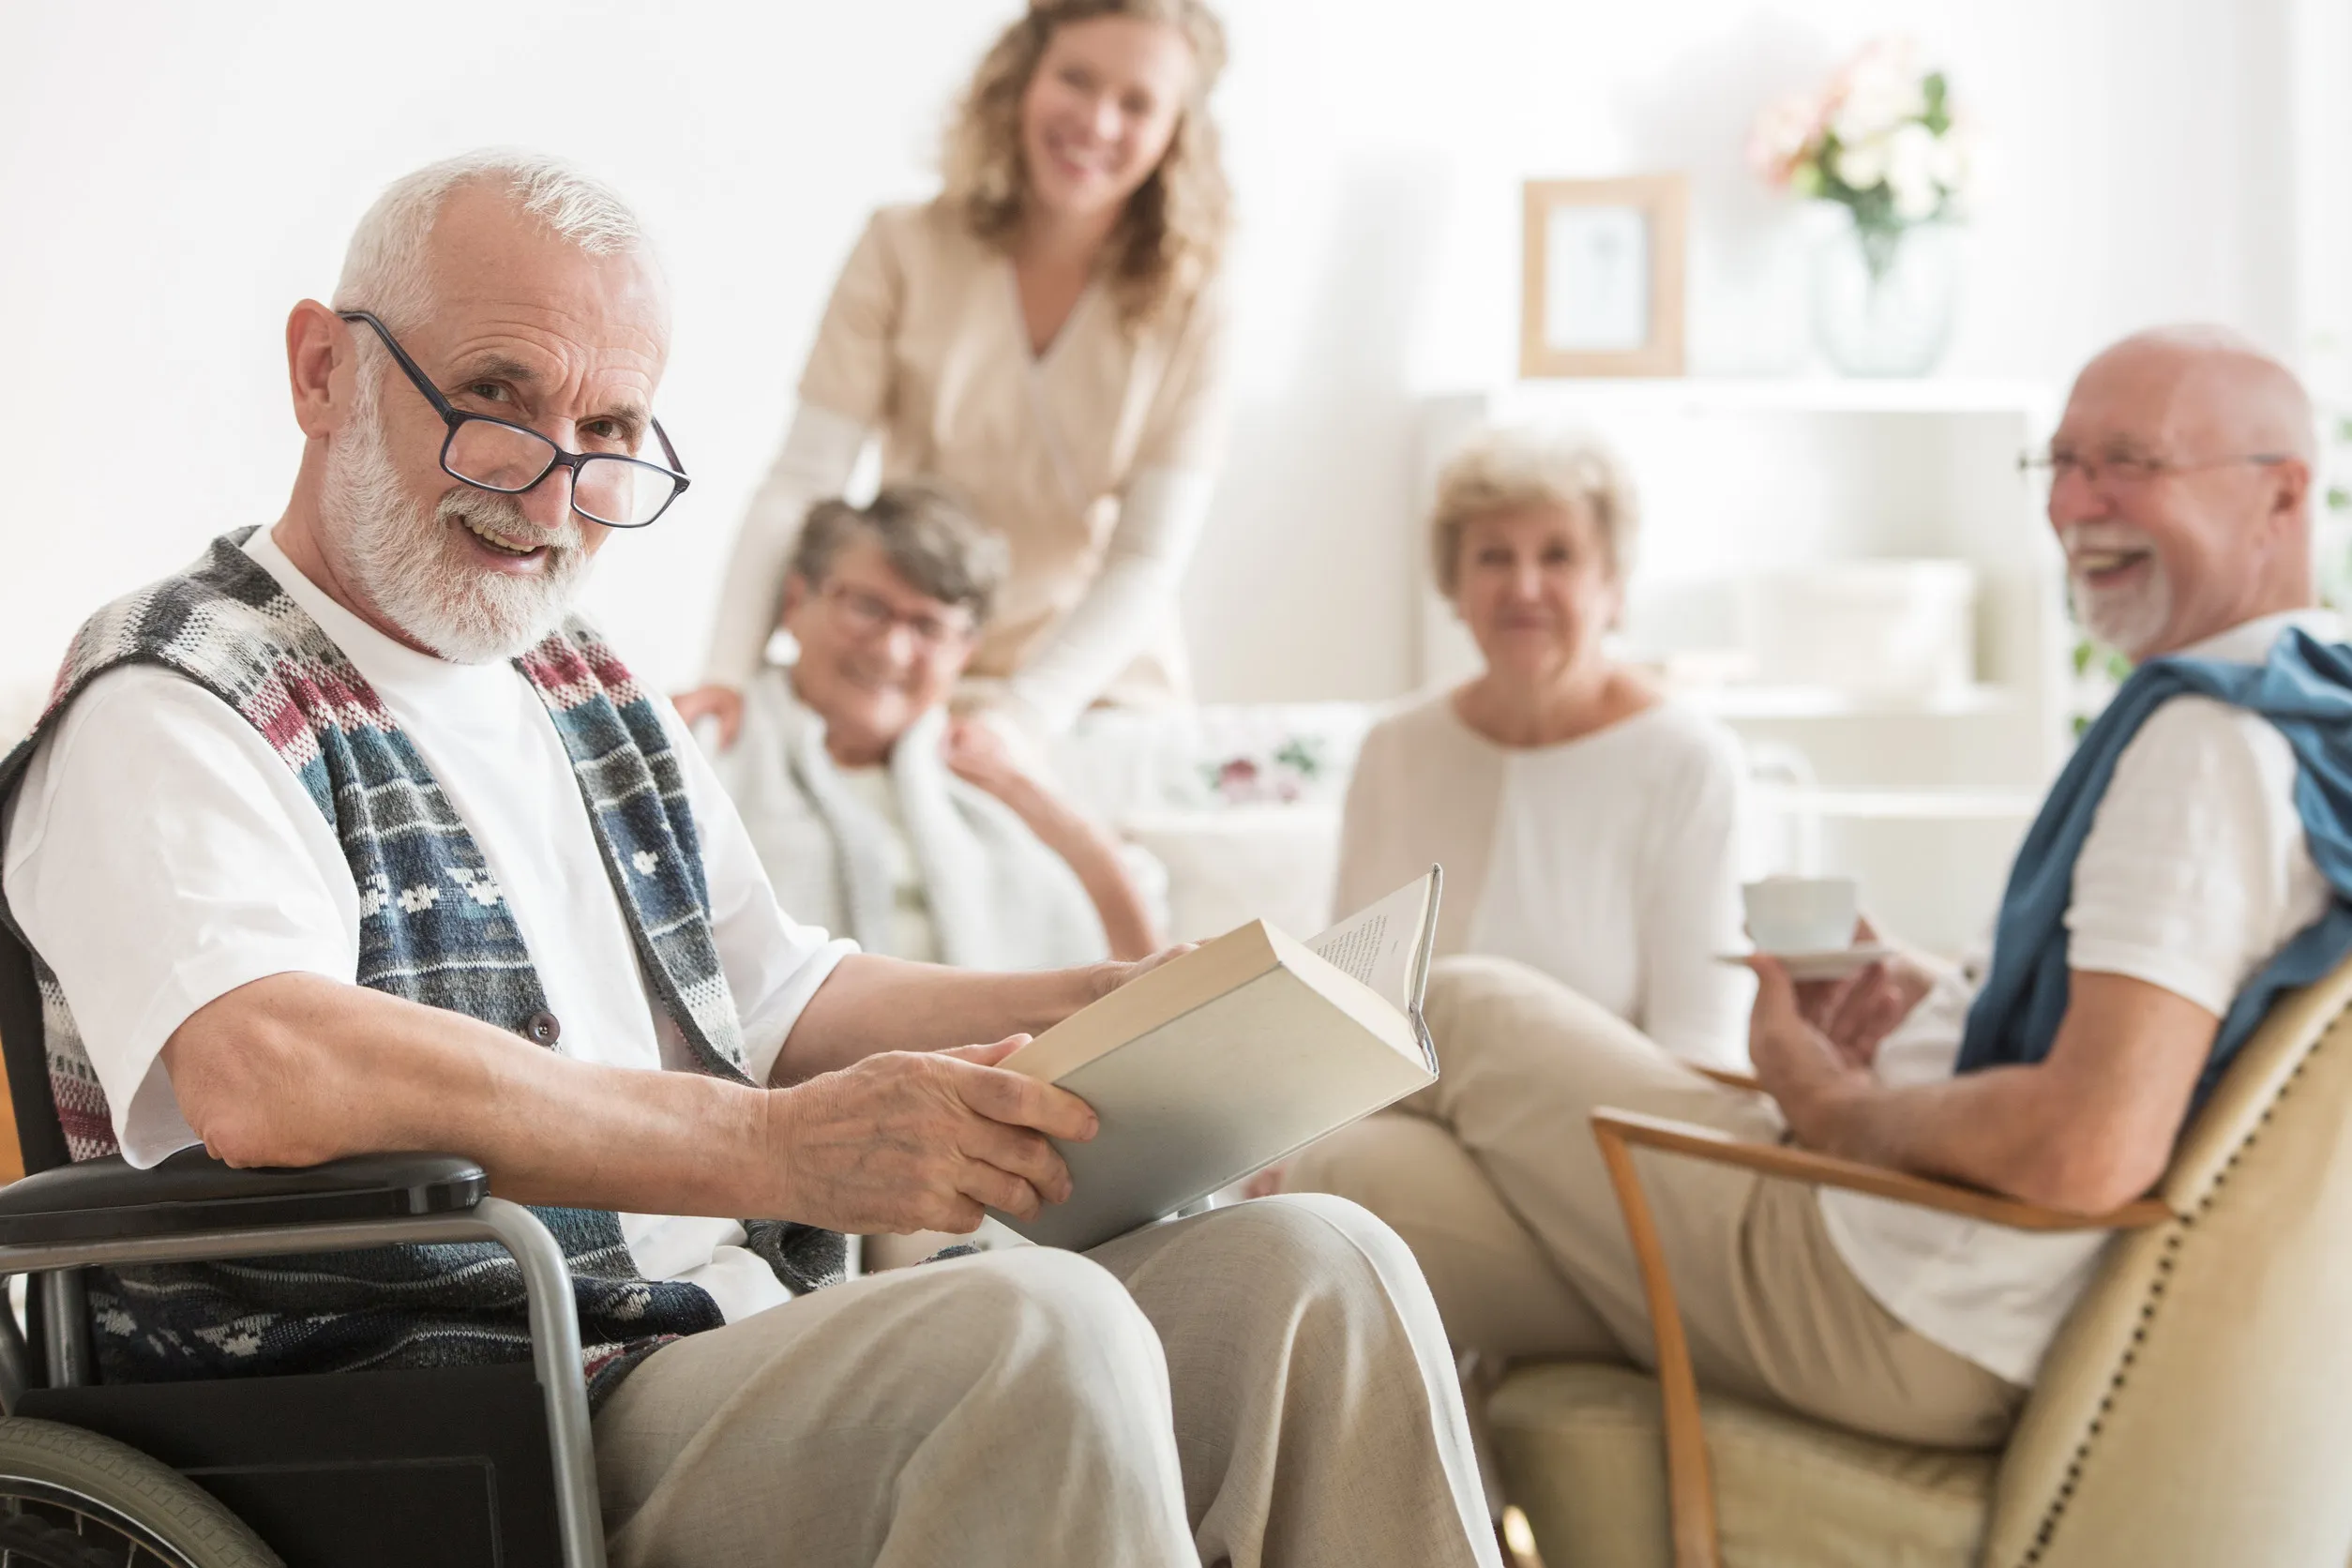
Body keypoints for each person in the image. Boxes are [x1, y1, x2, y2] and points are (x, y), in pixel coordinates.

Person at [0, 152, 1499, 1568]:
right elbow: (273, 1068)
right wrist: (777, 1150)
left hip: (730, 1328)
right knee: (1037, 1334)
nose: (549, 490)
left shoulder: (574, 676)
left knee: (1316, 1271)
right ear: (323, 369)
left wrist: (1110, 1001)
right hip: (477, 1396)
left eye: (605, 436)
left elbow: (779, 995)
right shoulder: (172, 692)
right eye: (496, 397)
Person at [1285, 326, 2352, 1466]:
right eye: (2060, 464)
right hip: (1927, 1275)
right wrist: (1932, 997)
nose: (2073, 505)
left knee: (1467, 1001)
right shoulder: (2298, 705)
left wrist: (1843, 1112)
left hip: (1902, 1294)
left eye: (2129, 461)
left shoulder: (2206, 748)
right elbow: (2119, 1038)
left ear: (2282, 495)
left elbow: (2090, 1144)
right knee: (1356, 1184)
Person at [676, 0, 1233, 750]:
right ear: (1021, 80)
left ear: (1177, 134)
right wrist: (729, 674)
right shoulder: (900, 248)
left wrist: (1025, 717)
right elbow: (804, 479)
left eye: (1137, 103)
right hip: (903, 665)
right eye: (1077, 79)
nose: (1099, 123)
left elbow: (1145, 558)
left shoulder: (1197, 308)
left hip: (1090, 689)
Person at [1330, 429, 1750, 1068]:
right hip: (1414, 1121)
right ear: (1454, 586)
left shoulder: (1688, 762)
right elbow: (1348, 1008)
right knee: (1343, 1156)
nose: (1524, 588)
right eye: (1494, 557)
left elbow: (1702, 1047)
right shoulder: (1393, 751)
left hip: (1601, 1138)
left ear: (1612, 587)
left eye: (1558, 556)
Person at [710, 479, 1163, 971]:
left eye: (928, 627)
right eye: (867, 607)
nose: (891, 650)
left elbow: (1153, 981)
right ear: (796, 603)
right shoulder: (710, 749)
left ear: (965, 652)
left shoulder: (999, 779)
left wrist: (1050, 814)